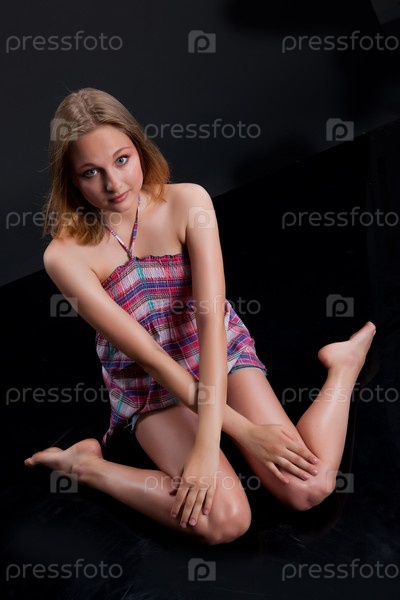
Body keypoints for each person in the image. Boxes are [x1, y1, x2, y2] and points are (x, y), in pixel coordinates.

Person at [24, 87, 376, 546]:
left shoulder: (189, 202)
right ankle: (87, 467)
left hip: (215, 352)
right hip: (150, 384)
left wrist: (214, 438)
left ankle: (344, 367)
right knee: (226, 521)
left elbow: (211, 322)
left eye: (122, 160)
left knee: (308, 489)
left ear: (139, 148)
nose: (114, 184)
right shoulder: (63, 256)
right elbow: (149, 357)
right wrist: (239, 434)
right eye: (91, 172)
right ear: (70, 180)